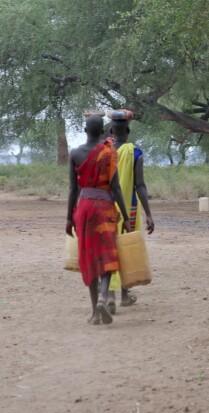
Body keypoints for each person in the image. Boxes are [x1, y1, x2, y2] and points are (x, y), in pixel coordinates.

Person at [66, 113, 131, 325]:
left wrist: (69, 219)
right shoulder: (109, 151)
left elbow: (72, 190)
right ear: (103, 131)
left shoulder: (75, 153)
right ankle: (105, 296)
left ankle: (95, 312)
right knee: (107, 254)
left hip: (84, 209)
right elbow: (116, 187)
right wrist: (127, 216)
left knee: (89, 256)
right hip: (105, 208)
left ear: (85, 131)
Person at [105, 109, 155, 314]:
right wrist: (149, 214)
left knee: (107, 249)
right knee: (125, 248)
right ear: (128, 131)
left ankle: (107, 294)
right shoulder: (135, 153)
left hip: (105, 208)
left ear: (110, 130)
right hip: (129, 209)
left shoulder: (102, 151)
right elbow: (140, 186)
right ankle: (124, 295)